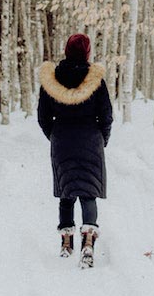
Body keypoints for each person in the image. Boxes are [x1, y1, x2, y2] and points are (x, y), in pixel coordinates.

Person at [37, 33, 113, 267]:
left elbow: (42, 117)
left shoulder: (51, 79)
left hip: (62, 141)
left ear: (66, 50)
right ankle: (88, 242)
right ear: (87, 52)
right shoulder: (95, 80)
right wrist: (102, 138)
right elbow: (107, 115)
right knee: (88, 192)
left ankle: (66, 244)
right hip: (90, 140)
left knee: (66, 192)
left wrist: (55, 136)